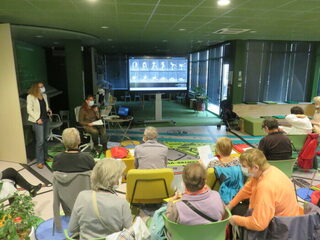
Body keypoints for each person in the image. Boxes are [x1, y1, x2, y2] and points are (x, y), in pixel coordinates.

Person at [228, 149, 301, 231]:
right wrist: (231, 204)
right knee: (237, 207)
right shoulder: (268, 170)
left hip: (282, 227)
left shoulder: (265, 186)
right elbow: (247, 189)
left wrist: (235, 220)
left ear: (255, 167)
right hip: (290, 219)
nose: (242, 168)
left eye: (244, 166)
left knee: (237, 212)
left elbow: (258, 224)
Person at [68, 159, 132, 239]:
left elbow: (72, 228)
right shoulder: (122, 203)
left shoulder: (82, 196)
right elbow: (130, 231)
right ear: (114, 180)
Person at [27, 82, 52, 169]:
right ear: (35, 88)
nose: (42, 88)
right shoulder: (30, 96)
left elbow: (45, 106)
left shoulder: (44, 95)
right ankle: (40, 161)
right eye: (40, 87)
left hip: (45, 119)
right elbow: (29, 110)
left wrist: (49, 110)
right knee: (40, 141)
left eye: (43, 86)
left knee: (45, 139)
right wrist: (37, 119)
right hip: (38, 121)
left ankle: (46, 156)